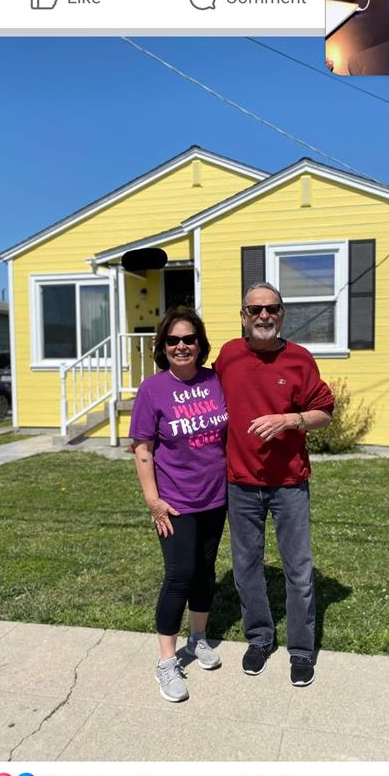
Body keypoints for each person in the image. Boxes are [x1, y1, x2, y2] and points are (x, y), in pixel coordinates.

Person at [214, 283, 334, 688]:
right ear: (243, 316)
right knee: (246, 568)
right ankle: (260, 638)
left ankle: (301, 650)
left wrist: (289, 420)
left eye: (272, 309)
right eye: (255, 310)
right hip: (241, 483)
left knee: (298, 570)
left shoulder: (300, 359)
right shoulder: (229, 355)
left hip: (289, 484)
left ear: (282, 314)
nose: (264, 316)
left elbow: (324, 412)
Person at [129, 307, 228, 704]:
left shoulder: (215, 380)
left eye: (189, 339)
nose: (182, 346)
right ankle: (167, 661)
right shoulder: (152, 389)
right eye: (173, 340)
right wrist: (153, 501)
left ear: (200, 344)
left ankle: (199, 638)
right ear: (163, 347)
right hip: (175, 503)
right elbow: (142, 448)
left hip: (215, 497)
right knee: (179, 574)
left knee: (205, 571)